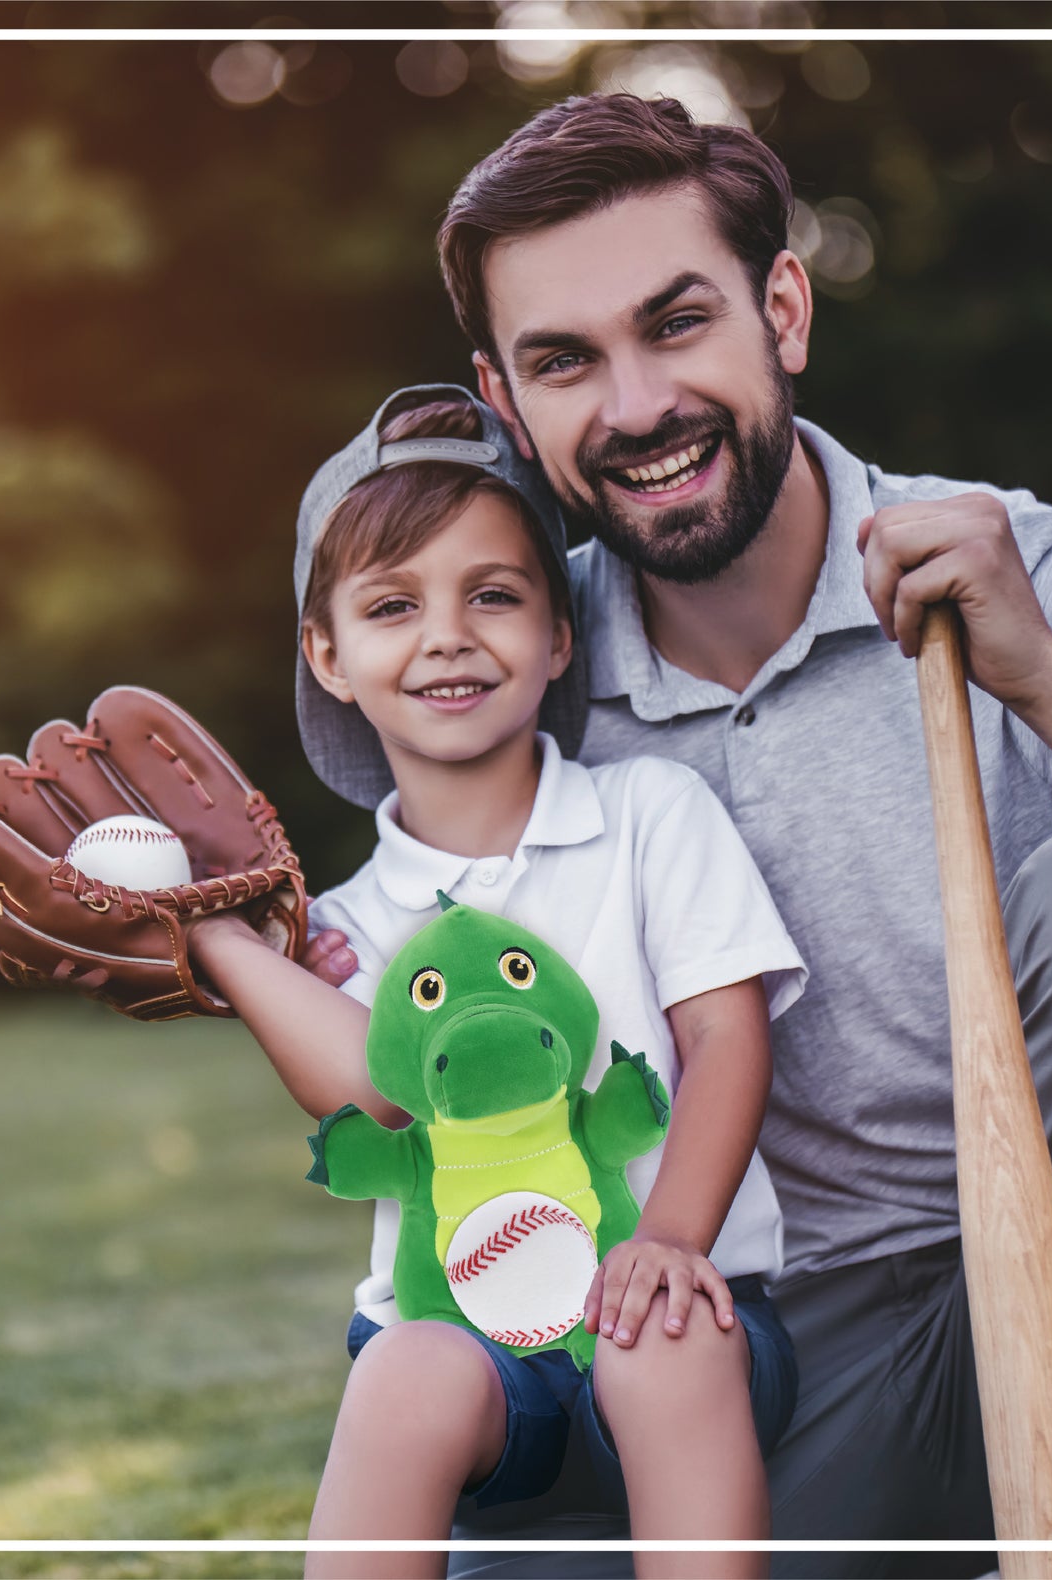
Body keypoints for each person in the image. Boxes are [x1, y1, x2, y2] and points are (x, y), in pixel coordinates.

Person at [306, 94, 1052, 1579]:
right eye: (566, 362)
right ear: (506, 402)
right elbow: (391, 974)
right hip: (755, 1349)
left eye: (675, 323)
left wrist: (1049, 682)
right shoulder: (511, 662)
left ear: (783, 307)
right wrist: (205, 941)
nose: (633, 408)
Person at [191, 386, 807, 1580]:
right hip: (484, 1372)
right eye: (389, 605)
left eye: (493, 594)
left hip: (690, 1320)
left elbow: (728, 1040)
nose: (446, 635)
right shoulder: (344, 925)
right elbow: (375, 1100)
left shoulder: (647, 816)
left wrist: (668, 1238)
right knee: (403, 1368)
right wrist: (222, 941)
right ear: (326, 653)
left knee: (660, 1335)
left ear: (558, 632)